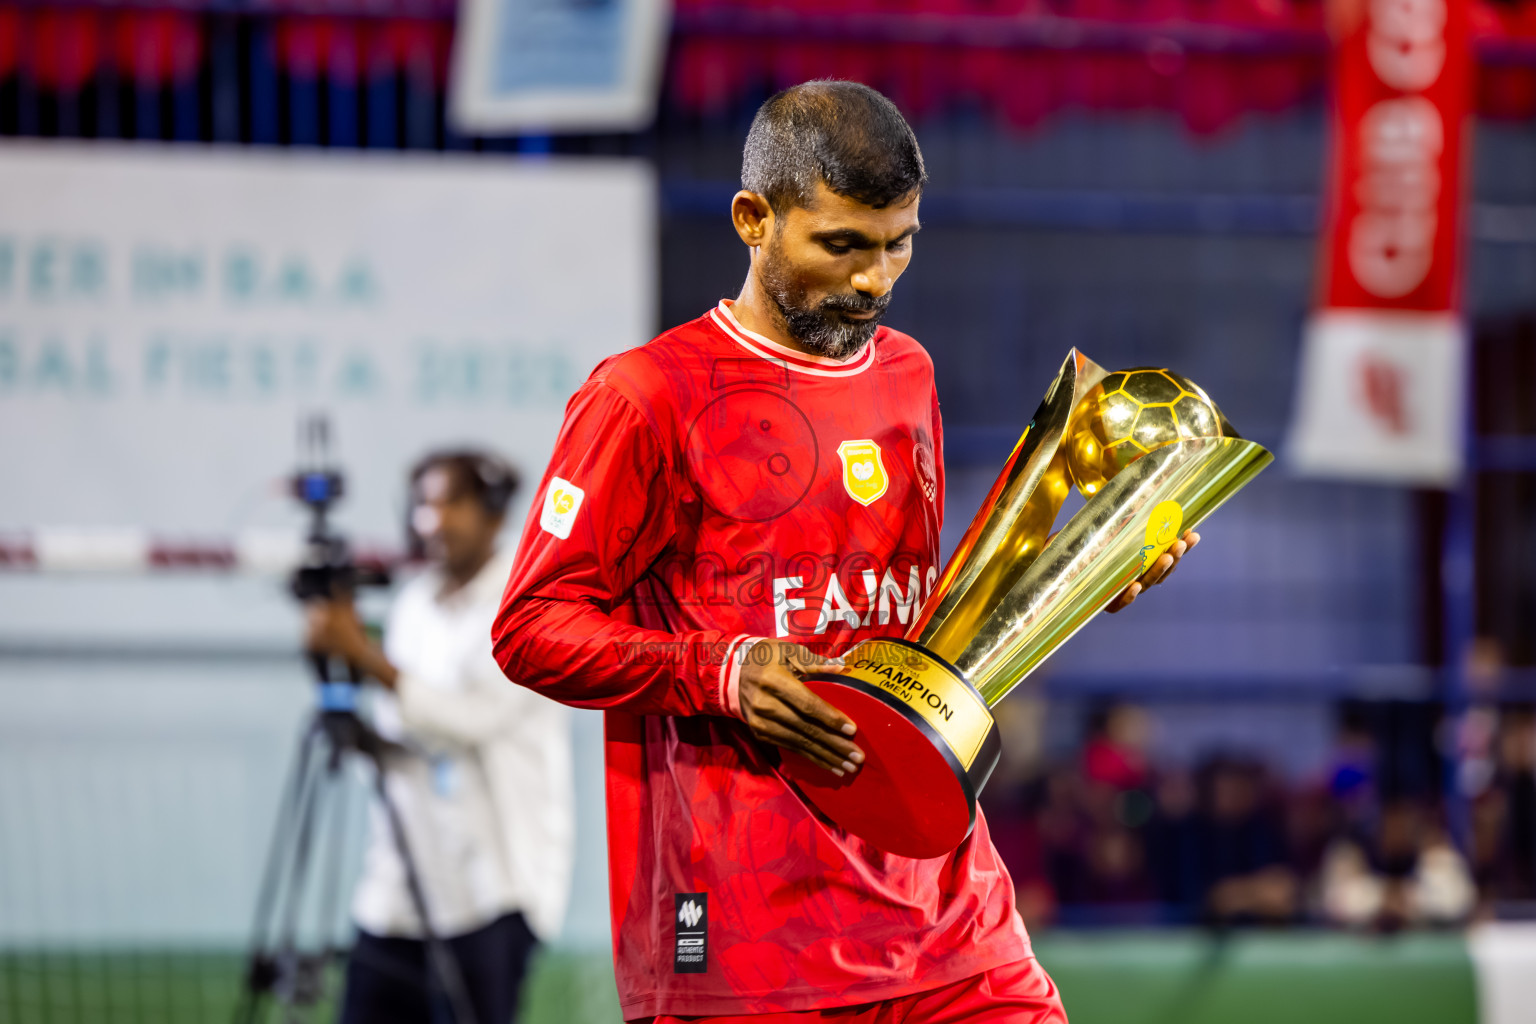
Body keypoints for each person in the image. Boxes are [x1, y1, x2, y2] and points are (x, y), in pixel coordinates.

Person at [494, 80, 1196, 1023]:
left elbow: (901, 618)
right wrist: (725, 672)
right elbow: (530, 627)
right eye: (843, 245)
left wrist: (1076, 573)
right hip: (747, 940)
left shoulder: (907, 371)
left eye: (899, 242)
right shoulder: (644, 397)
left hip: (946, 914)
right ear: (754, 218)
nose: (876, 277)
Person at [305, 450, 573, 1024]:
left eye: (454, 503)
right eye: (425, 504)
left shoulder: (527, 604)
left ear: (495, 517)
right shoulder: (412, 604)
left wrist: (365, 657)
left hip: (491, 890)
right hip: (399, 880)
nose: (435, 520)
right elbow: (401, 729)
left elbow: (469, 720)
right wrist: (347, 700)